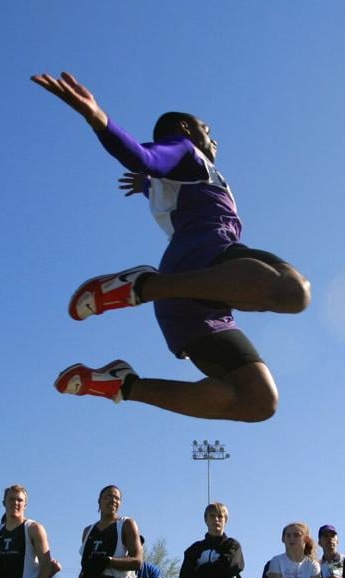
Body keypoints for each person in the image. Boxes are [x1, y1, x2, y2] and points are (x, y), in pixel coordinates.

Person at [31, 72, 311, 423]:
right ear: (186, 128)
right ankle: (141, 287)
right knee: (291, 292)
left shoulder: (181, 177)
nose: (214, 140)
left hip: (202, 297)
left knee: (258, 402)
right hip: (201, 261)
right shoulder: (186, 152)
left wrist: (147, 185)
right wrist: (97, 119)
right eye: (207, 130)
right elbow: (143, 158)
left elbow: (156, 177)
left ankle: (121, 385)